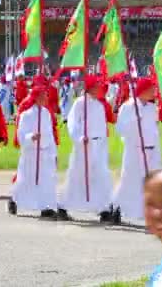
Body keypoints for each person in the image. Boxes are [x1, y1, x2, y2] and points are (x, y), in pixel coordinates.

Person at [58, 75, 114, 222]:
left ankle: (104, 208)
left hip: (99, 146)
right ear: (90, 88)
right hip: (84, 145)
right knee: (76, 175)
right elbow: (72, 123)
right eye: (96, 86)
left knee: (101, 176)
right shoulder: (79, 104)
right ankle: (62, 206)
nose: (99, 88)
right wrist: (80, 137)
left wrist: (103, 144)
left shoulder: (100, 105)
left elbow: (102, 127)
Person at [112, 78, 162, 223]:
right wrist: (134, 122)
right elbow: (120, 128)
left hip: (151, 149)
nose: (154, 92)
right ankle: (115, 207)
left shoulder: (153, 108)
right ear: (143, 90)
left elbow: (155, 129)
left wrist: (156, 148)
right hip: (135, 149)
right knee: (129, 180)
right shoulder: (128, 107)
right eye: (151, 89)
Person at [9, 86, 59, 219]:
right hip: (31, 153)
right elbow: (21, 134)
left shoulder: (47, 114)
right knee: (26, 179)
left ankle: (45, 206)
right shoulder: (26, 115)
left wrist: (53, 152)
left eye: (46, 95)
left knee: (45, 180)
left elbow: (50, 134)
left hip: (44, 153)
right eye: (43, 96)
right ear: (36, 98)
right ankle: (14, 200)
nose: (46, 98)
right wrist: (31, 137)